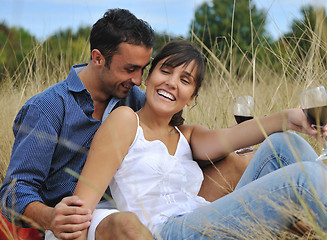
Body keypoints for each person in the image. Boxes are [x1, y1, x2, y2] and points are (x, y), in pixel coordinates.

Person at [0, 8, 250, 240]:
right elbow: (14, 190)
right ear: (98, 58)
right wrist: (50, 217)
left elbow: (175, 144)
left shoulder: (135, 97)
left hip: (139, 210)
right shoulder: (47, 109)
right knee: (126, 225)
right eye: (130, 68)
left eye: (143, 69)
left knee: (238, 164)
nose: (139, 79)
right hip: (81, 224)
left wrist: (231, 145)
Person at [73, 40, 327, 240]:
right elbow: (82, 206)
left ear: (192, 97)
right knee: (301, 177)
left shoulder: (187, 135)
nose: (172, 83)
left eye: (185, 80)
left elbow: (233, 137)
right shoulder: (126, 121)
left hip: (207, 219)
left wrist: (289, 117)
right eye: (166, 71)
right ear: (148, 78)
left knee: (284, 145)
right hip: (165, 232)